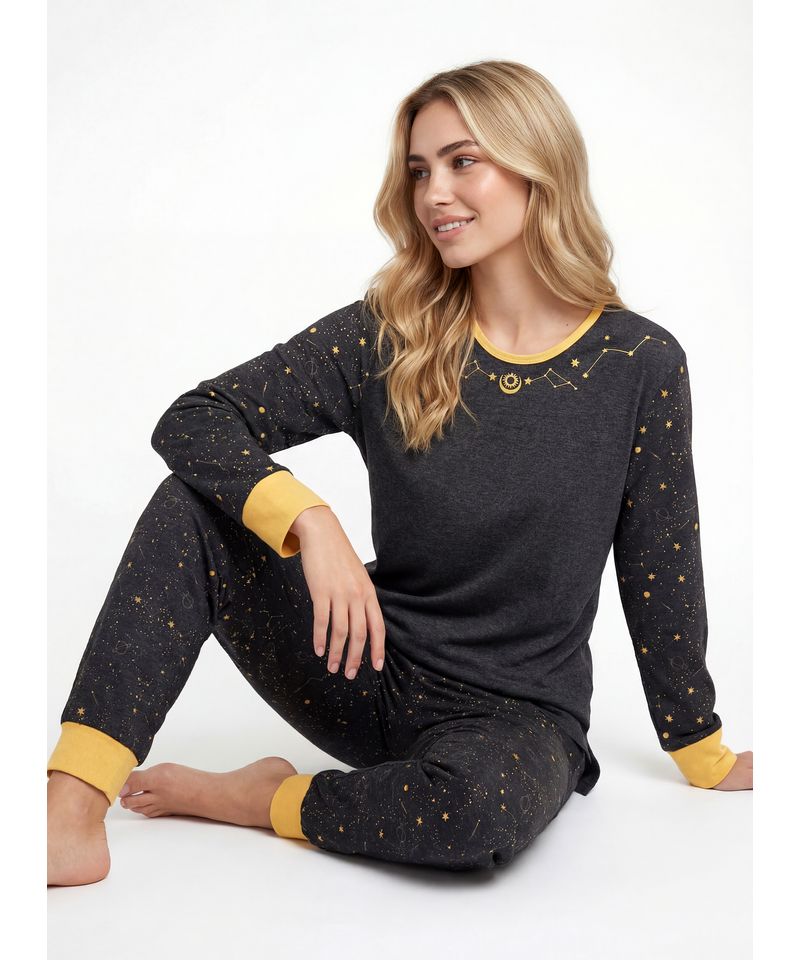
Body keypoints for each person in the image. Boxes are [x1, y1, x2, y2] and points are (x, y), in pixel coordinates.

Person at [47, 59, 753, 887]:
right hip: (363, 665)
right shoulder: (389, 334)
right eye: (419, 171)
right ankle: (67, 815)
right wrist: (310, 519)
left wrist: (701, 748)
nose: (433, 195)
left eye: (462, 162)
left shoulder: (637, 362)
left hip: (516, 719)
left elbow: (661, 563)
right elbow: (196, 418)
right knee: (191, 507)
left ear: (538, 166)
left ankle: (266, 799)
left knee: (474, 815)